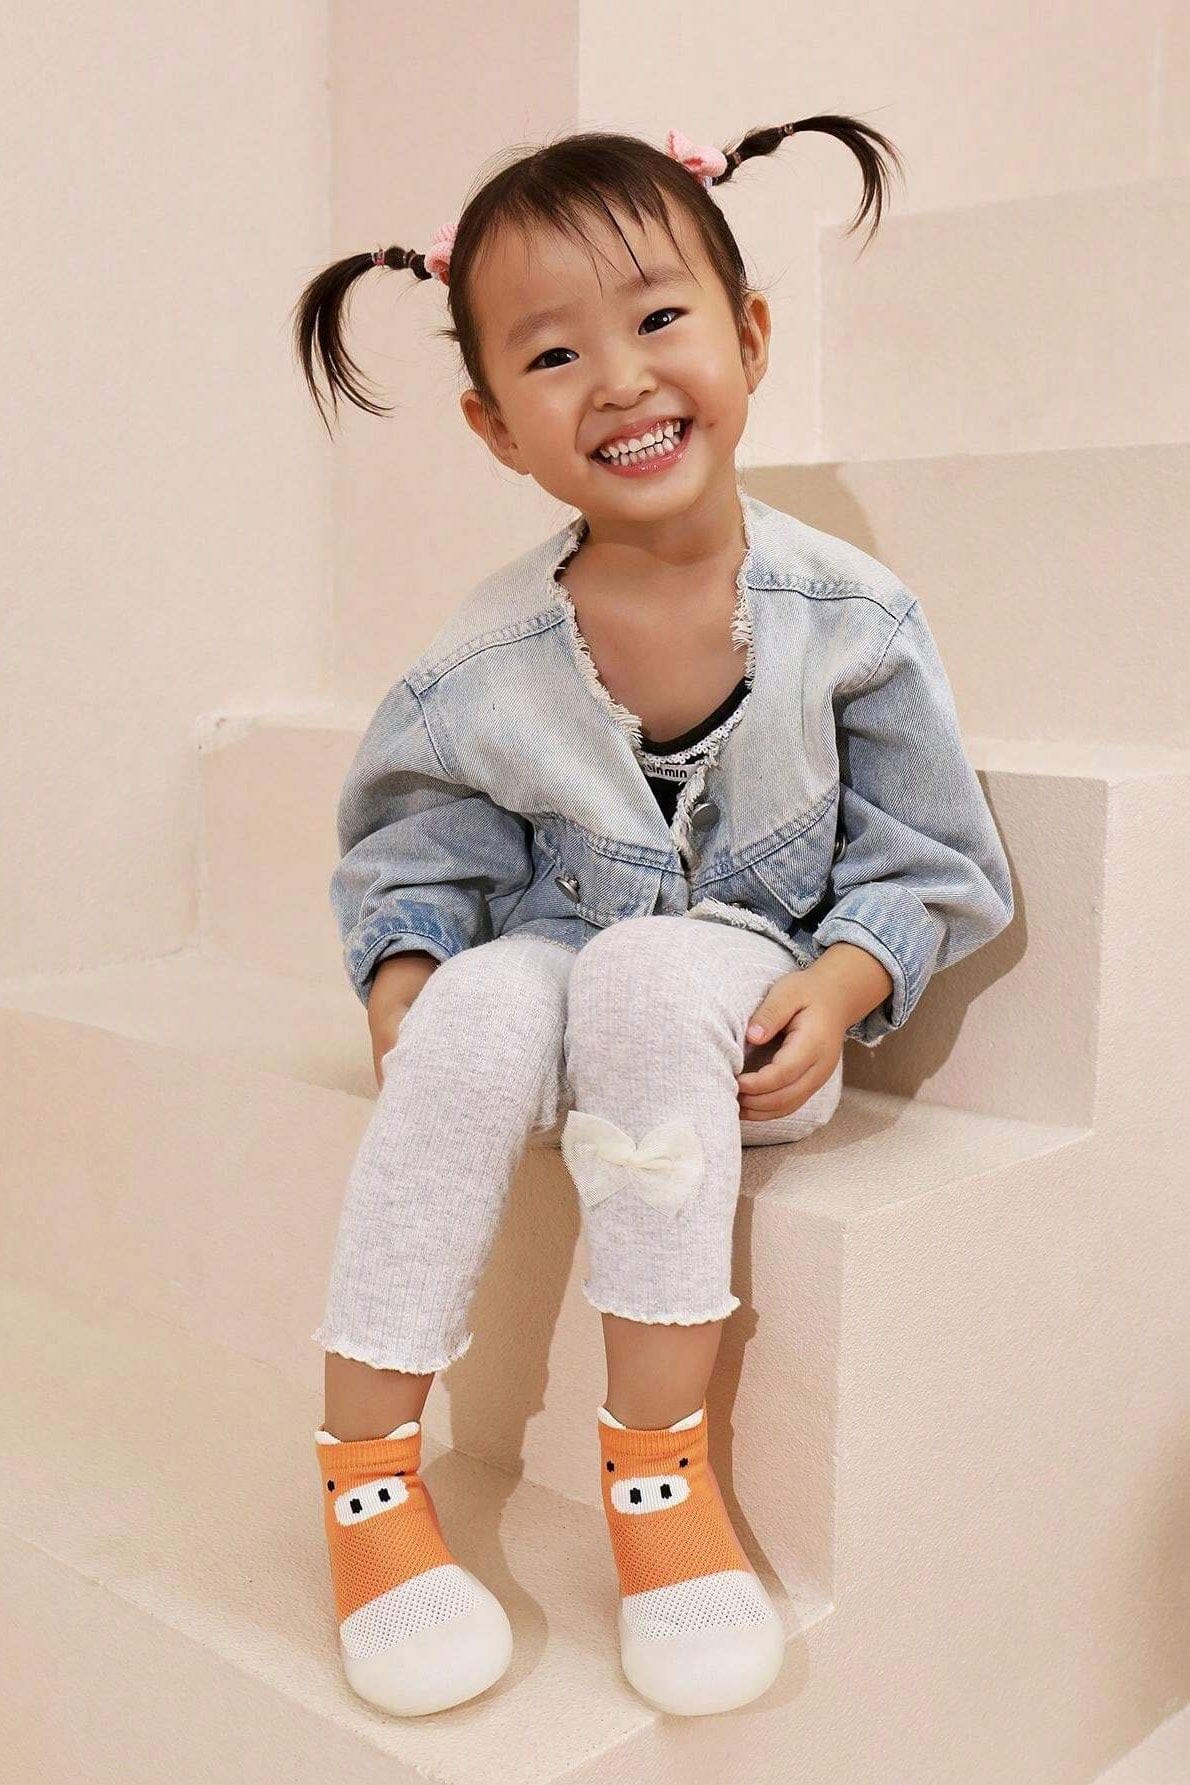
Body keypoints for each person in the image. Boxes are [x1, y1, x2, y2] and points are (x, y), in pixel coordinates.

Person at [291, 116, 1014, 1720]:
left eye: (658, 319)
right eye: (553, 355)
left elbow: (927, 856)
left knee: (646, 963)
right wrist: (407, 969)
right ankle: (363, 1475)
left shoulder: (852, 619)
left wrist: (844, 980)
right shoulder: (483, 657)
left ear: (747, 335)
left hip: (726, 1024)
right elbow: (420, 839)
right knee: (483, 1005)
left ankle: (656, 1471)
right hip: (550, 987)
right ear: (495, 426)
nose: (617, 380)